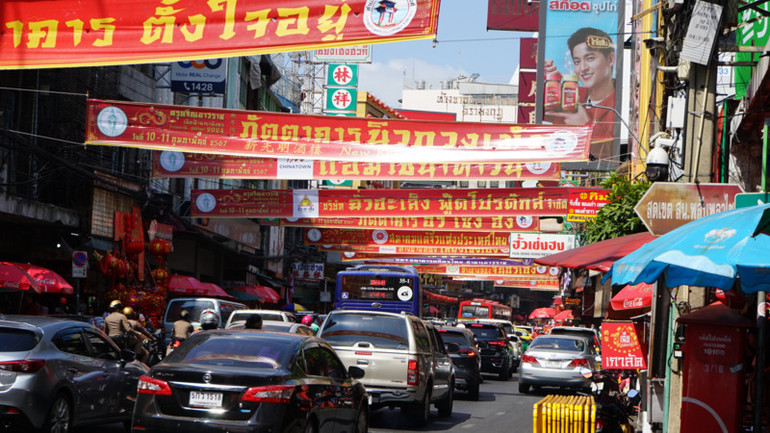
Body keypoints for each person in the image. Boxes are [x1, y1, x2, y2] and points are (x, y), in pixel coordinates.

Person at [544, 27, 617, 161]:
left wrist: (585, 125)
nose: (583, 68)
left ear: (610, 59)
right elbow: (542, 108)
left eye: (590, 58)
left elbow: (613, 157)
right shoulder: (575, 95)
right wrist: (549, 76)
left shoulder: (623, 103)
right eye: (577, 61)